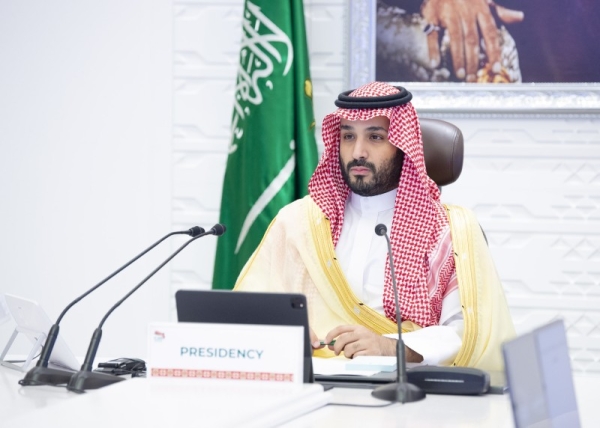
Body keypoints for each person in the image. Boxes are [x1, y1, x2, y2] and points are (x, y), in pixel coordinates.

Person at [234, 82, 515, 370]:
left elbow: (468, 332)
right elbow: (251, 309)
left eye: (375, 137)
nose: (358, 152)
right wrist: (284, 335)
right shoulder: (299, 222)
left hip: (408, 392)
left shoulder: (450, 230)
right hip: (311, 388)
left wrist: (393, 347)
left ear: (402, 145)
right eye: (347, 136)